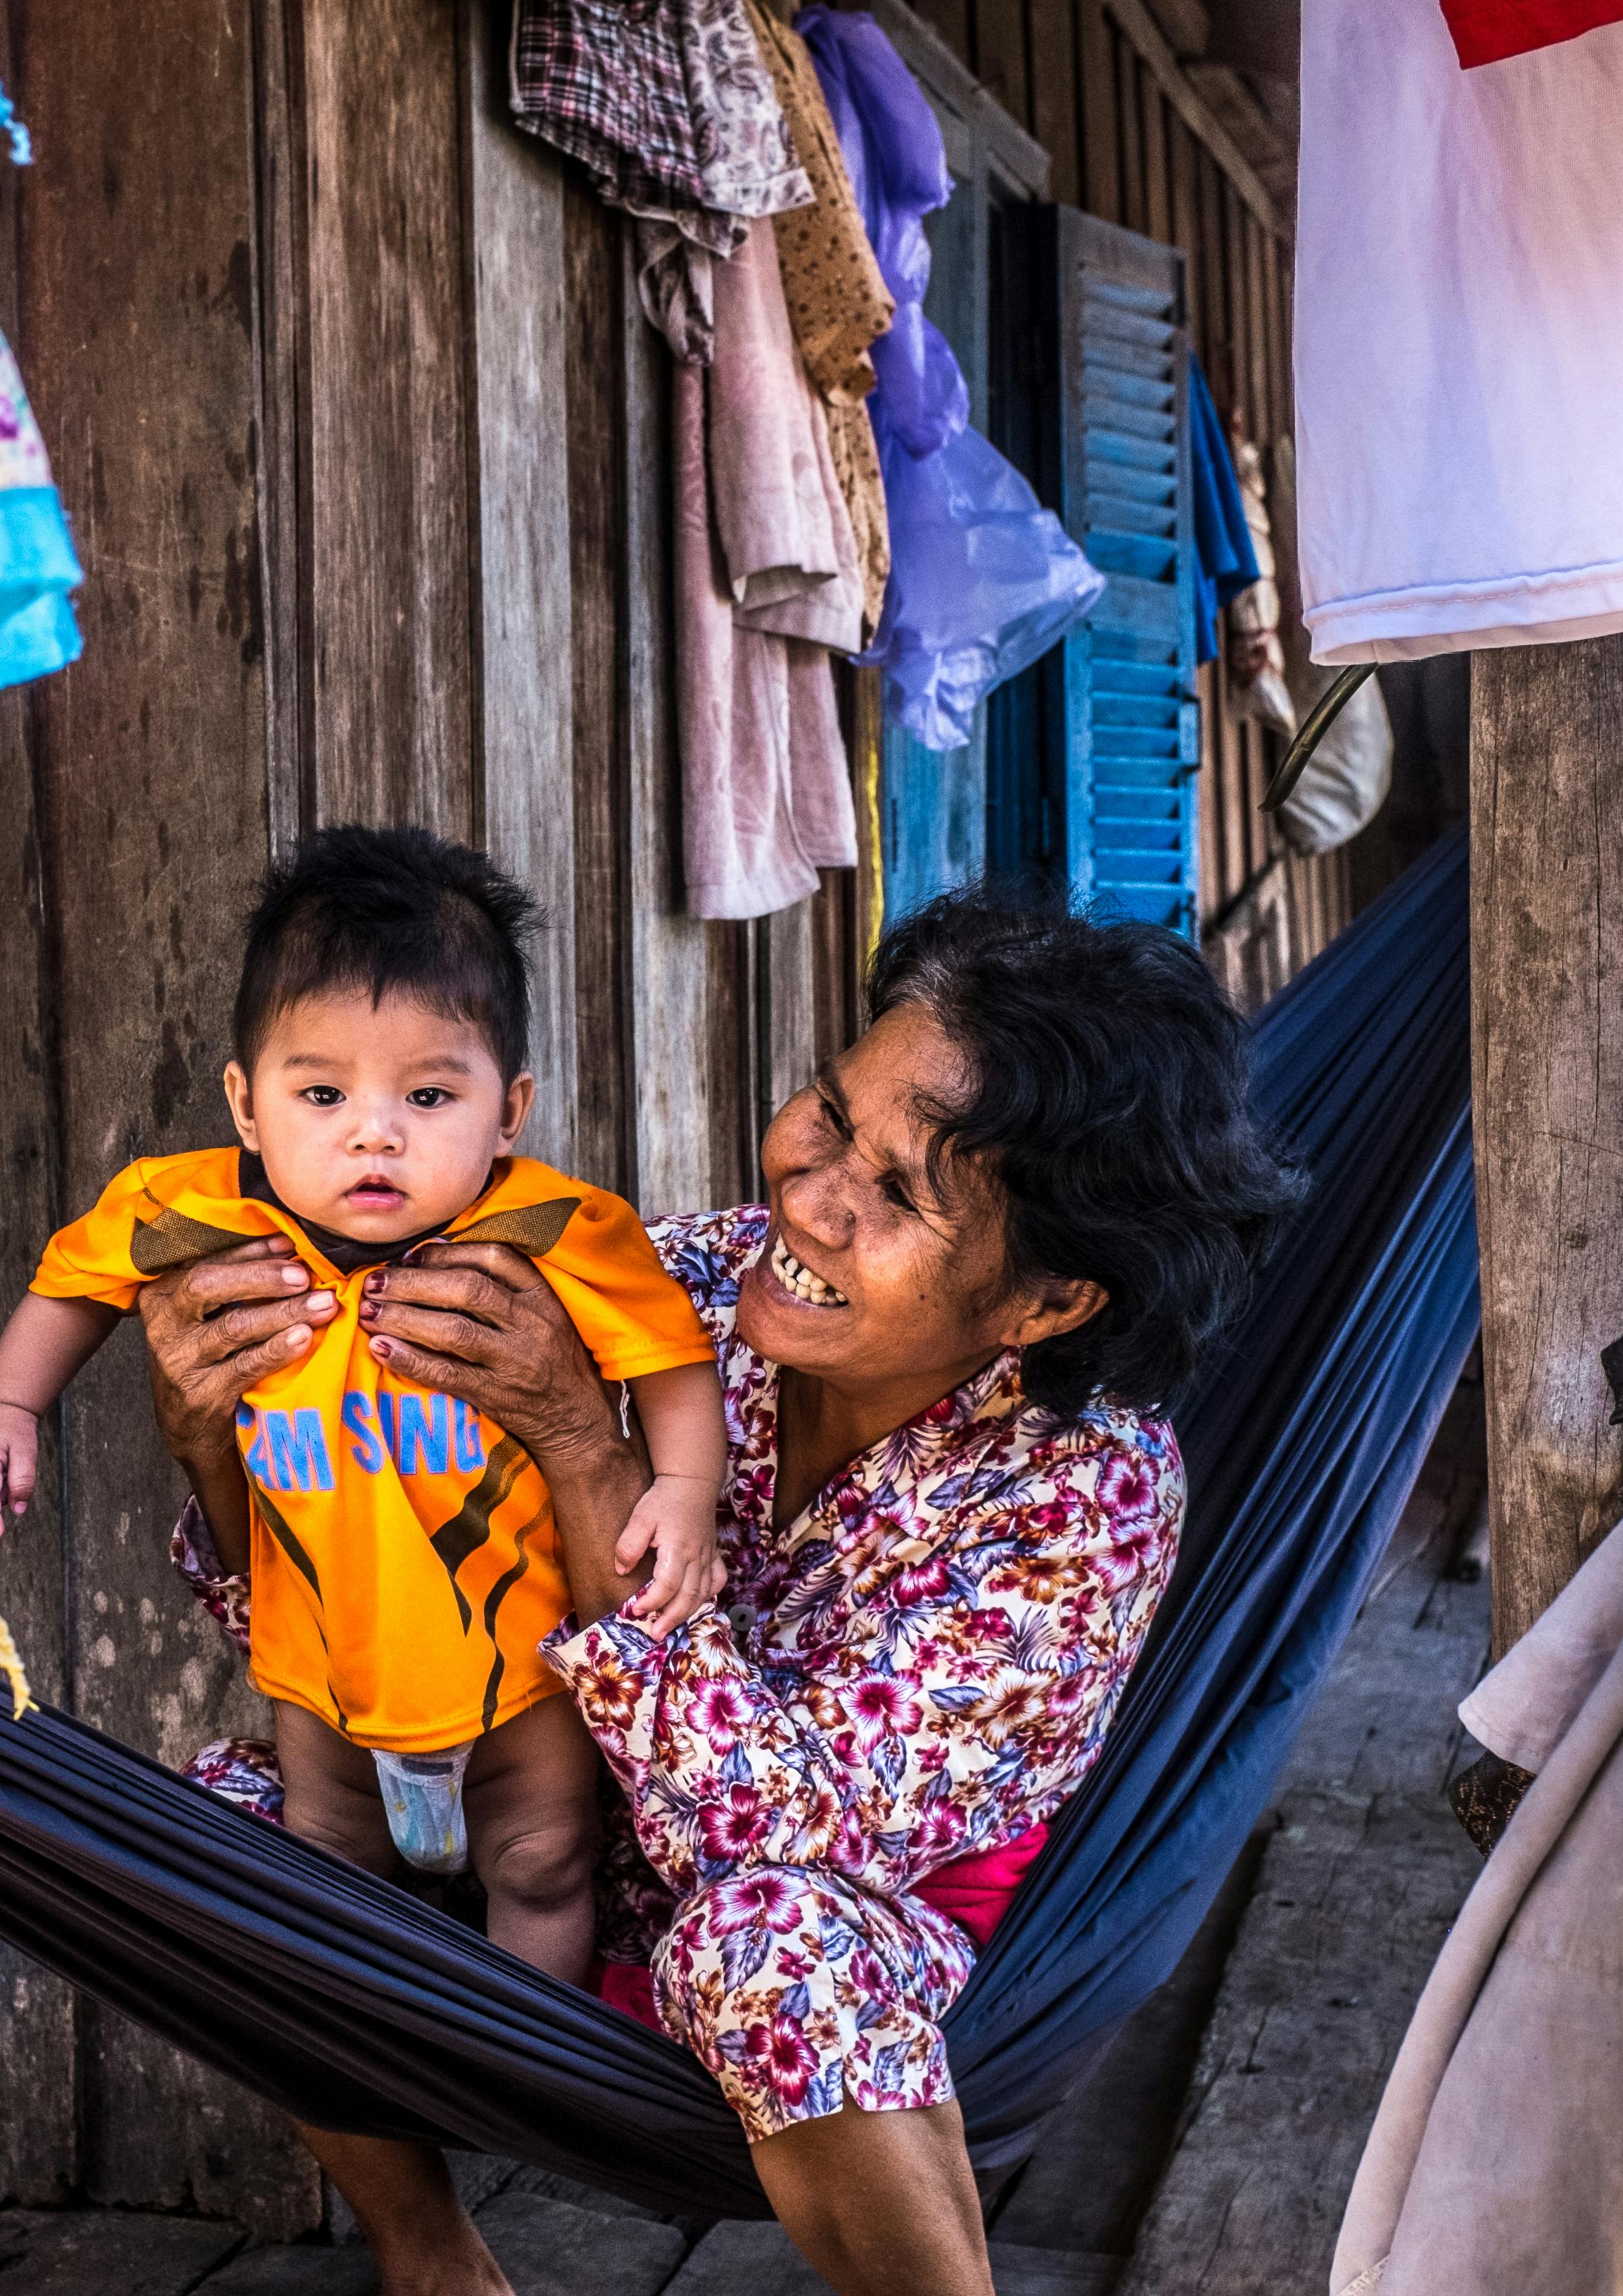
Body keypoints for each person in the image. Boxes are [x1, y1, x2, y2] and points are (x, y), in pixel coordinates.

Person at [134, 884, 1297, 2296]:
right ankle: (434, 2261)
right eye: (828, 1119)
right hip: (521, 1852)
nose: (808, 1201)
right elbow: (344, 1620)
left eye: (900, 1197)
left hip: (821, 1942)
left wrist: (581, 1447)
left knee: (768, 1946)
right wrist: (219, 1449)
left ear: (1045, 1302)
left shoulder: (1082, 1498)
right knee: (222, 1832)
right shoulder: (667, 1281)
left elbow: (782, 1837)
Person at [0, 827, 730, 1979]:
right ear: (247, 1107)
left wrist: (687, 1489)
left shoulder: (556, 1230)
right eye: (321, 1092)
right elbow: (71, 1290)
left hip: (525, 1669)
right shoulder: (191, 1210)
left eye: (427, 1093)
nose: (375, 1131)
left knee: (546, 1862)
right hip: (322, 1677)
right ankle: (377, 2058)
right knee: (328, 1867)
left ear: (507, 1112)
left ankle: (528, 2083)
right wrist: (11, 1411)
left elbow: (672, 1365)